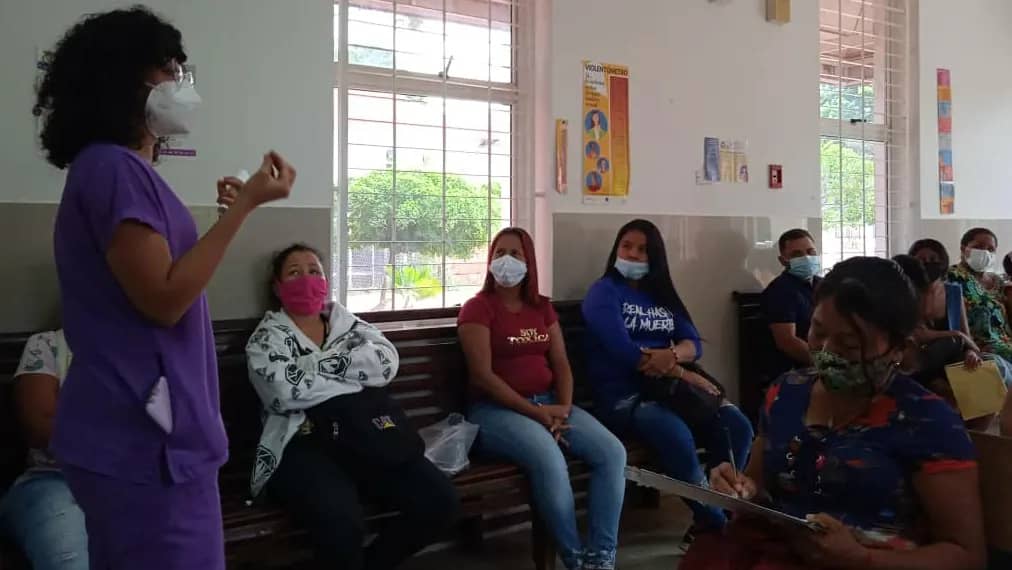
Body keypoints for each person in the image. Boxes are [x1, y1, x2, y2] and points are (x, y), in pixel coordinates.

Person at [36, 7, 296, 569]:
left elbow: (160, 280)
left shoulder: (119, 170)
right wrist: (246, 207)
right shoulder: (112, 169)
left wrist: (226, 216)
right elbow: (164, 299)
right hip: (144, 441)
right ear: (124, 80)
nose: (181, 83)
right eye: (169, 69)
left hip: (144, 434)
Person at [682, 257, 986, 570]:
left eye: (849, 344)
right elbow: (757, 486)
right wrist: (738, 487)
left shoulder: (927, 421)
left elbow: (966, 556)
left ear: (899, 348)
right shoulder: (786, 393)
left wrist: (861, 559)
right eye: (817, 331)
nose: (826, 352)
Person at [246, 244, 457, 569]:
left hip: (363, 433)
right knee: (341, 523)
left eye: (314, 271)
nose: (306, 279)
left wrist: (310, 367)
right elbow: (283, 392)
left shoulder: (348, 325)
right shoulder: (266, 339)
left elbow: (385, 364)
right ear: (277, 287)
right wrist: (352, 373)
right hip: (303, 443)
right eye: (294, 273)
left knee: (439, 501)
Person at [459, 228, 627, 570]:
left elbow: (561, 363)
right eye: (499, 253)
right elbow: (482, 376)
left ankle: (601, 556)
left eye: (515, 254)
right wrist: (537, 413)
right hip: (495, 411)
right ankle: (575, 559)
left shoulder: (541, 308)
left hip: (550, 403)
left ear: (529, 262)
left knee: (612, 453)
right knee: (549, 457)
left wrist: (563, 408)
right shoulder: (477, 308)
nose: (506, 261)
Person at [582, 219, 753, 535]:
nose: (632, 254)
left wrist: (672, 355)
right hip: (625, 396)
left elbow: (693, 344)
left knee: (738, 426)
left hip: (669, 390)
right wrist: (678, 369)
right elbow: (625, 352)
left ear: (655, 257)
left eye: (642, 250)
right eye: (626, 246)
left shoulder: (660, 294)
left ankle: (717, 512)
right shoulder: (603, 292)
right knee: (676, 435)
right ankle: (720, 527)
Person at [0, 330, 87, 570]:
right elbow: (39, 427)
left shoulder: (153, 347)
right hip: (55, 480)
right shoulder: (48, 344)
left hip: (139, 483)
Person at [761, 229, 821, 380]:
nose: (806, 258)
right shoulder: (780, 291)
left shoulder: (825, 285)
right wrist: (828, 366)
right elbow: (787, 341)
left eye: (811, 252)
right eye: (797, 254)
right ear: (783, 261)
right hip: (798, 372)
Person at [948, 228, 1012, 361]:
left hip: (1005, 344)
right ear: (963, 248)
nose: (985, 252)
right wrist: (969, 348)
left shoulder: (998, 282)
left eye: (991, 249)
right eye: (978, 247)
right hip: (976, 349)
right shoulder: (952, 277)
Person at [908, 239, 972, 337]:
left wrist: (967, 346)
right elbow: (915, 335)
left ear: (942, 262)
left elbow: (965, 335)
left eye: (933, 259)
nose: (927, 263)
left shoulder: (954, 292)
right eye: (921, 260)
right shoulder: (907, 292)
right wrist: (956, 334)